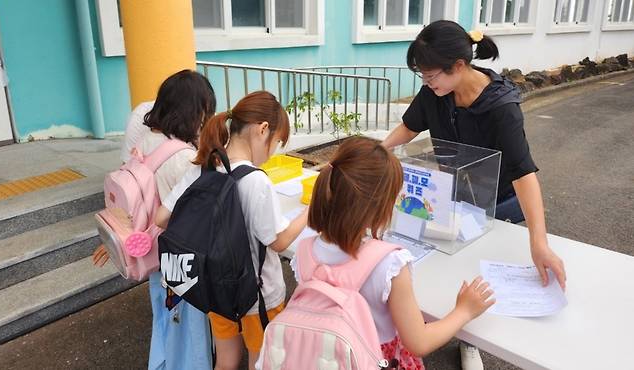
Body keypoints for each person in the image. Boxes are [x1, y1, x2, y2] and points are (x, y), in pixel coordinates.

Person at [381, 20, 566, 369]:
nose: (427, 83)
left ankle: (469, 341)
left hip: (498, 205)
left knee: (478, 273)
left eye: (431, 76)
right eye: (422, 77)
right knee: (444, 267)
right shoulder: (436, 92)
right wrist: (379, 150)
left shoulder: (501, 106)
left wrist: (538, 241)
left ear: (460, 66)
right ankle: (434, 320)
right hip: (452, 197)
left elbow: (524, 173)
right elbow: (410, 126)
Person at [289, 137, 494, 369]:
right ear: (379, 207)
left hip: (327, 357)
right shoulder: (389, 263)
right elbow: (419, 342)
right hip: (376, 359)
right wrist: (464, 311)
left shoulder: (304, 252)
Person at [155, 91, 309, 370]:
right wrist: (311, 211)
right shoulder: (255, 180)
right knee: (261, 361)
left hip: (215, 289)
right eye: (276, 143)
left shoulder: (203, 168)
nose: (272, 152)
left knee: (225, 361)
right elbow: (279, 241)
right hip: (258, 297)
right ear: (263, 130)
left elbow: (162, 217)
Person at [94, 69, 217, 370]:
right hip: (179, 255)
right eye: (205, 111)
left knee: (163, 317)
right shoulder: (183, 158)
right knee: (188, 326)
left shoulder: (148, 139)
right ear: (194, 112)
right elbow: (201, 212)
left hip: (152, 253)